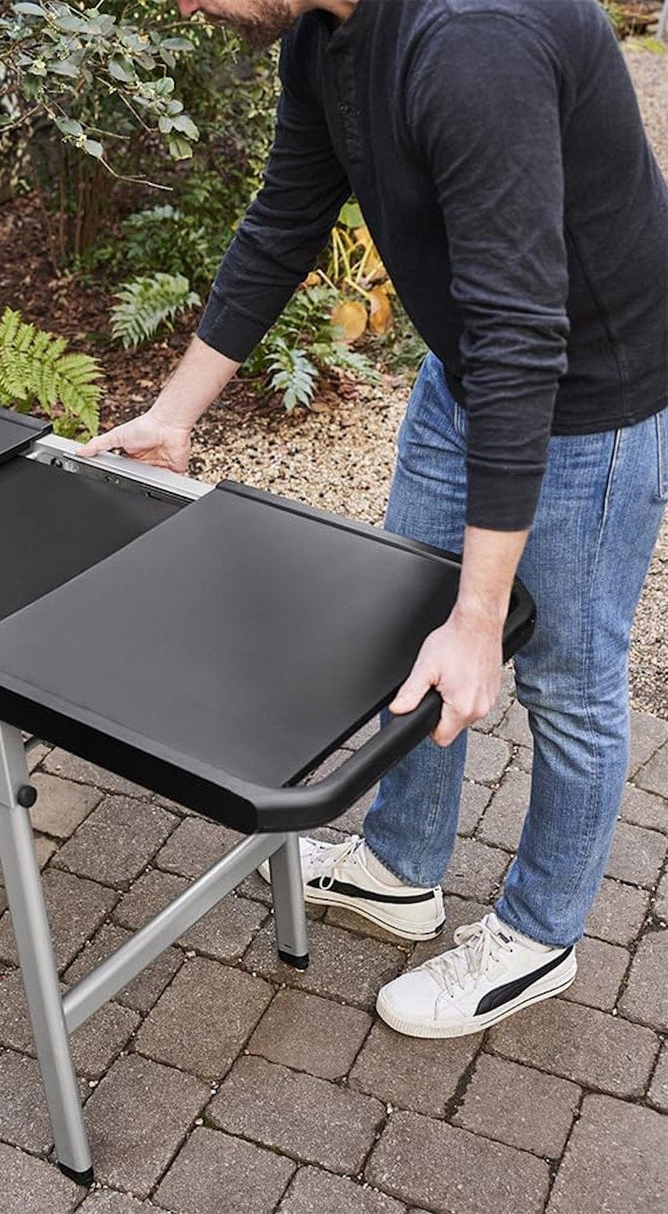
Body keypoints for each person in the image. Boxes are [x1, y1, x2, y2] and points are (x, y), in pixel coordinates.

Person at [78, 0, 668, 1038]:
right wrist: (173, 416)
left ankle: (540, 933)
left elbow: (522, 336)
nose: (180, 7)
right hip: (465, 370)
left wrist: (480, 617)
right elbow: (283, 219)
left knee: (566, 679)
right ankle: (400, 867)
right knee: (408, 619)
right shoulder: (323, 33)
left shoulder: (473, 40)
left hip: (589, 397)